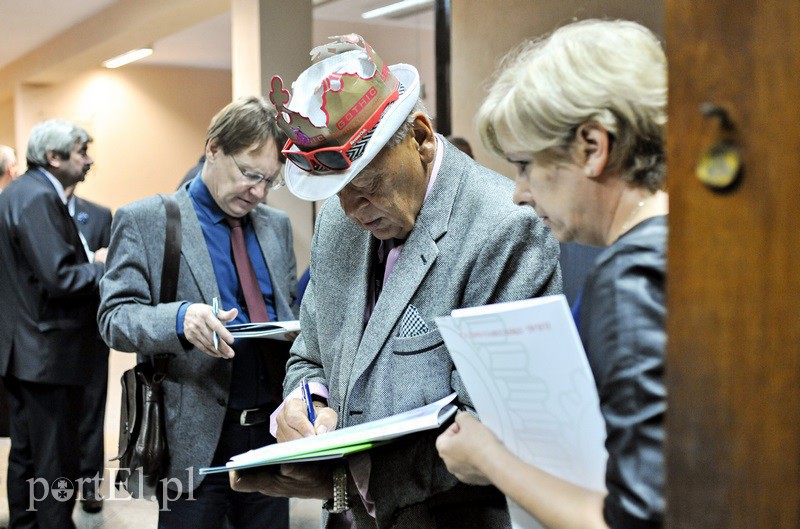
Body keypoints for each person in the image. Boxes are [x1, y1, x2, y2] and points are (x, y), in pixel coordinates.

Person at [230, 34, 562, 529]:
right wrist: (308, 401)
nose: (352, 211)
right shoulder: (338, 223)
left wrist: (344, 477)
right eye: (339, 194)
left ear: (422, 138)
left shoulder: (504, 229)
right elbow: (310, 353)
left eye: (368, 187)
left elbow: (493, 428)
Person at [435, 19, 668, 529]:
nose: (518, 193)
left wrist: (490, 460)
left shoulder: (632, 279)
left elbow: (634, 520)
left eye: (524, 165)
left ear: (592, 147)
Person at [98, 96, 295, 529]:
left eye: (270, 181)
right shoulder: (148, 220)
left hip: (269, 437)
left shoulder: (274, 226)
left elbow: (287, 309)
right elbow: (114, 318)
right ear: (213, 149)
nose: (259, 192)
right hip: (195, 438)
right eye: (249, 174)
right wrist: (178, 318)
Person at [0, 119, 106, 529]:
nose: (88, 159)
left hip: (27, 351)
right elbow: (61, 277)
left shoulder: (19, 192)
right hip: (47, 354)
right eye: (81, 151)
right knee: (54, 463)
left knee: (26, 457)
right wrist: (100, 266)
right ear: (53, 157)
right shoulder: (39, 197)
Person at [63, 182, 113, 513]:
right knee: (57, 415)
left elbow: (112, 269)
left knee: (92, 408)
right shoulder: (33, 213)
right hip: (47, 334)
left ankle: (90, 483)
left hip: (90, 328)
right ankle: (56, 484)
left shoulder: (97, 215)